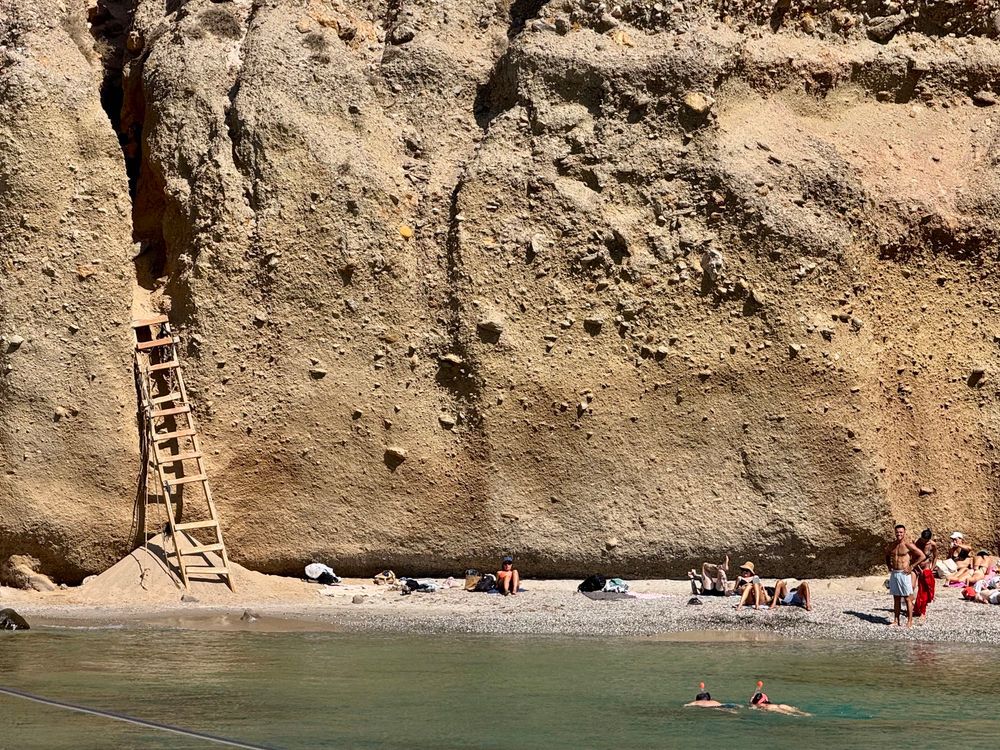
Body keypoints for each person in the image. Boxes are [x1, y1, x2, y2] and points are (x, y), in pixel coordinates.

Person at [884, 524, 926, 628]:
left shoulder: (908, 545)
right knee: (896, 598)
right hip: (895, 573)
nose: (899, 534)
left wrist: (911, 566)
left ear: (904, 533)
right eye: (897, 532)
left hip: (904, 573)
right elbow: (887, 554)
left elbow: (922, 556)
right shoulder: (892, 545)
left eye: (901, 532)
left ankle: (909, 622)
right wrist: (889, 565)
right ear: (895, 532)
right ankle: (896, 620)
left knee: (907, 598)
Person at [912, 529, 937, 620]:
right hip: (916, 566)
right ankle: (913, 606)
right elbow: (913, 558)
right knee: (912, 586)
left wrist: (932, 568)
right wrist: (918, 569)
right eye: (923, 540)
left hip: (926, 567)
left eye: (926, 541)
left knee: (924, 590)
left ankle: (923, 611)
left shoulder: (932, 545)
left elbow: (935, 556)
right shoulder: (917, 543)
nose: (924, 542)